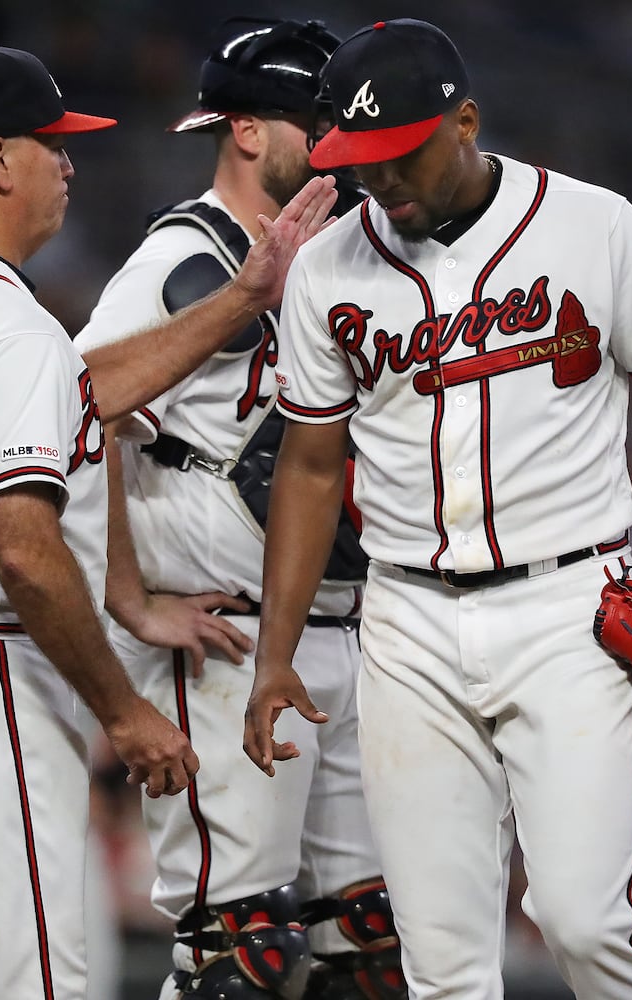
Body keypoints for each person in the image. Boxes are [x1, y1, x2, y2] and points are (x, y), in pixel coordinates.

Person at [242, 19, 632, 999]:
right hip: (405, 620)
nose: (380, 183)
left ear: (464, 122)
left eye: (397, 155)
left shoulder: (593, 224)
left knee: (583, 921)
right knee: (440, 957)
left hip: (568, 608)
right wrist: (276, 651)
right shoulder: (327, 267)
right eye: (359, 163)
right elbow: (311, 468)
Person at [0, 45, 330, 1000]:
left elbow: (80, 398)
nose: (69, 165)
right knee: (48, 985)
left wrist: (243, 298)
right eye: (53, 145)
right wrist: (124, 711)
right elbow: (22, 546)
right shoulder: (8, 326)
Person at [74, 17, 400, 1000]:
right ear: (248, 130)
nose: (336, 144)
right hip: (225, 640)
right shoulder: (190, 251)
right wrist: (129, 596)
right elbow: (77, 397)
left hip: (349, 629)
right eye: (316, 122)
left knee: (372, 946)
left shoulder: (351, 254)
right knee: (238, 954)